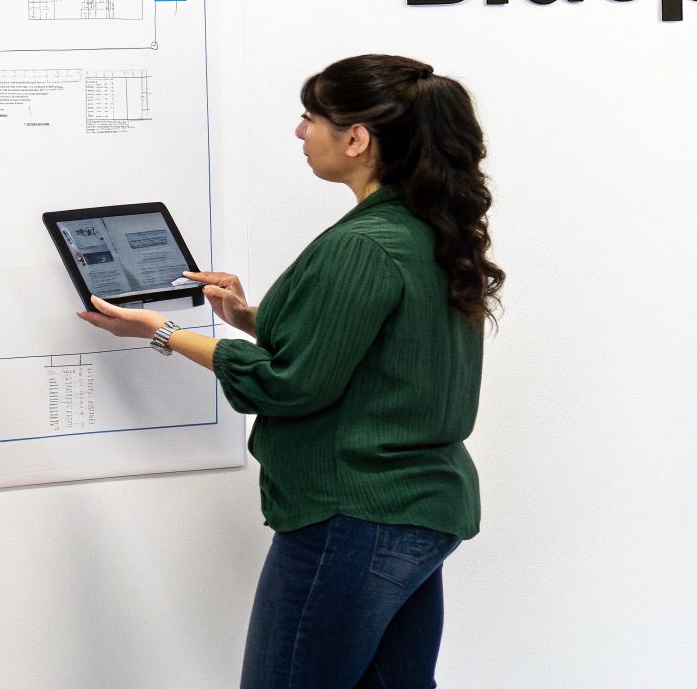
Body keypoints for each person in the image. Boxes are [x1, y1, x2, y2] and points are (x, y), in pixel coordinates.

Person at [78, 54, 501, 689]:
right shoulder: (424, 230)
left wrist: (162, 331)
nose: (300, 132)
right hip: (420, 511)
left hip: (353, 516)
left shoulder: (363, 244)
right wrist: (246, 316)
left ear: (356, 139)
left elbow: (288, 385)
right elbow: (373, 351)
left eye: (310, 118)